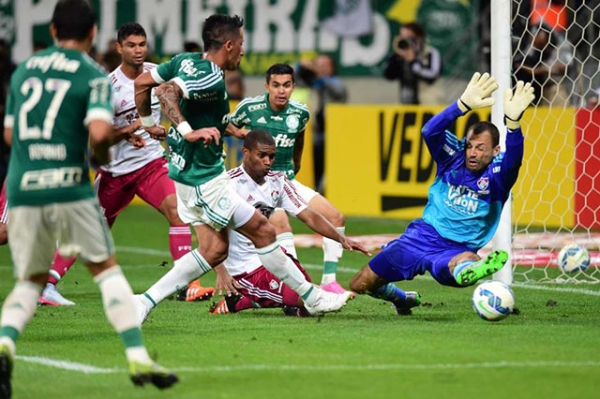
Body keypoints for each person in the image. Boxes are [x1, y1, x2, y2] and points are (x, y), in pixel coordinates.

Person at [133, 14, 361, 323]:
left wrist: (149, 124)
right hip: (203, 177)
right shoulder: (210, 75)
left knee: (214, 250)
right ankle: (313, 296)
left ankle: (143, 302)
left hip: (185, 175)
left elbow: (142, 83)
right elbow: (164, 92)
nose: (243, 50)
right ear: (228, 45)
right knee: (263, 229)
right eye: (240, 44)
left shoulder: (185, 60)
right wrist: (187, 131)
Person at [0, 1, 179, 397]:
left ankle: (5, 343)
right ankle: (136, 355)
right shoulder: (92, 75)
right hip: (68, 183)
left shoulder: (24, 71)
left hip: (26, 182)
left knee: (28, 279)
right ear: (95, 34)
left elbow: (10, 136)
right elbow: (99, 135)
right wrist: (101, 159)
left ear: (51, 30)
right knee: (108, 271)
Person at [38, 22, 215, 306]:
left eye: (142, 44)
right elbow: (98, 142)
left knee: (177, 211)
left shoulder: (157, 73)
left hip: (151, 164)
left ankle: (187, 284)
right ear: (119, 48)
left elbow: (182, 91)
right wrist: (129, 131)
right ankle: (46, 285)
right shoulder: (108, 87)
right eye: (131, 45)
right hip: (115, 173)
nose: (138, 50)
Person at [348, 72, 535, 315]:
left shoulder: (498, 177)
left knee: (462, 266)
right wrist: (461, 106)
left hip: (455, 248)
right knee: (359, 284)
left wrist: (513, 124)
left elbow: (513, 161)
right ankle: (402, 298)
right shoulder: (453, 159)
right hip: (420, 237)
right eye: (469, 145)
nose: (472, 153)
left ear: (495, 150)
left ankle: (473, 269)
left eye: (480, 148)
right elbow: (429, 132)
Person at [209, 130, 369, 315]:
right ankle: (244, 298)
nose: (268, 161)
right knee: (309, 298)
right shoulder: (229, 184)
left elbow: (309, 215)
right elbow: (209, 228)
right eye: (262, 155)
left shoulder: (277, 181)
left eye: (271, 156)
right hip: (244, 269)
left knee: (303, 304)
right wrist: (221, 272)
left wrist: (340, 238)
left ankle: (240, 301)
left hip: (273, 256)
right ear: (246, 153)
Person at [227, 63, 349, 294]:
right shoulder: (250, 107)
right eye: (275, 85)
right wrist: (241, 133)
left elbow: (300, 138)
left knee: (335, 217)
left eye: (286, 85)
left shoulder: (300, 113)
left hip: (286, 179)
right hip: (258, 182)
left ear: (293, 86)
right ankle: (294, 285)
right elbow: (225, 126)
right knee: (281, 223)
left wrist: (298, 163)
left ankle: (329, 282)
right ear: (267, 86)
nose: (281, 91)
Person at [295, 54, 347, 193]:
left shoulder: (334, 82)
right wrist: (301, 65)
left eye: (325, 65)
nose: (321, 69)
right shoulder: (310, 82)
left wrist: (320, 76)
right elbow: (290, 75)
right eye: (319, 65)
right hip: (314, 132)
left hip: (333, 133)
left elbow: (339, 91)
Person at [513, 22, 573, 106]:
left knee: (559, 115)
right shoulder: (538, 49)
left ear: (543, 35)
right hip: (544, 89)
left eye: (535, 37)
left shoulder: (562, 45)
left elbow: (565, 66)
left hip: (558, 88)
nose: (533, 41)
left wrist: (539, 70)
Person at [382, 22, 442, 105]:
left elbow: (432, 76)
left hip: (428, 104)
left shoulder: (430, 53)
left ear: (419, 38)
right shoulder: (401, 55)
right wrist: (396, 56)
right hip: (406, 104)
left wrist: (413, 62)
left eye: (409, 37)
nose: (406, 40)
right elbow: (388, 75)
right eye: (402, 37)